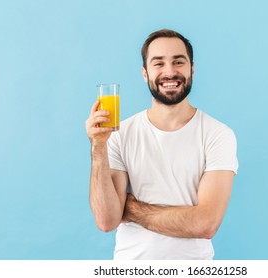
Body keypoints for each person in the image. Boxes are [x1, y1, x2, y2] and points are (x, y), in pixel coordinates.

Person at [85, 29, 238, 260]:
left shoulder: (218, 134)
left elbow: (206, 224)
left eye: (178, 61)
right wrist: (98, 148)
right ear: (145, 73)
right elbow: (107, 221)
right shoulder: (119, 134)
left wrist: (131, 208)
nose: (169, 72)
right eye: (158, 63)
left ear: (192, 69)